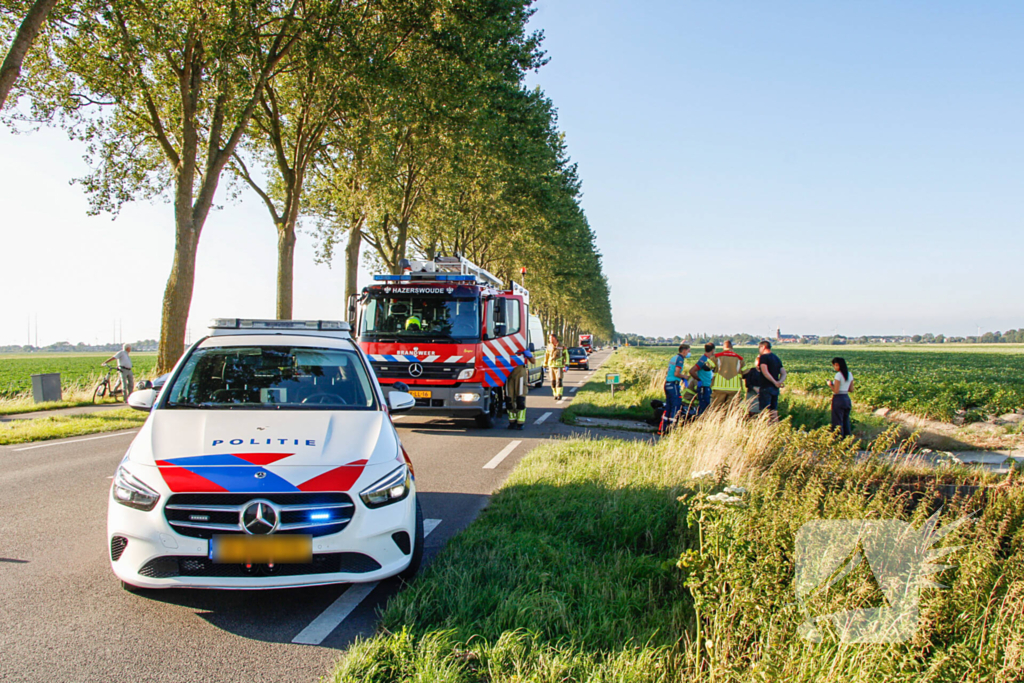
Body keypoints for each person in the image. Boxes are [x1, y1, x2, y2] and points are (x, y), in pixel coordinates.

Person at [662, 343, 690, 432]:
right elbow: (676, 373)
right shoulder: (680, 360)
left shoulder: (674, 357)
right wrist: (685, 377)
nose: (689, 353)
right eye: (688, 351)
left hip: (668, 384)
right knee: (676, 406)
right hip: (673, 384)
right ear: (684, 351)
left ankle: (663, 428)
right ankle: (672, 429)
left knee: (668, 407)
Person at [756, 340, 786, 420]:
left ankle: (764, 427)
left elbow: (765, 371)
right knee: (774, 410)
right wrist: (779, 382)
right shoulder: (776, 358)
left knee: (764, 410)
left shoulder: (764, 357)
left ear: (763, 347)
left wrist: (774, 382)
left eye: (759, 348)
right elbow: (783, 373)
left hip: (766, 387)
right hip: (775, 389)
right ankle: (775, 426)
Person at [505, 347, 533, 430]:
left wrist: (529, 355)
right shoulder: (504, 345)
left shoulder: (523, 346)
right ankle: (512, 422)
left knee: (520, 399)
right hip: (507, 374)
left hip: (520, 373)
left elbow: (533, 361)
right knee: (509, 399)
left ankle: (520, 423)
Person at [712, 339, 745, 408]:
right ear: (732, 348)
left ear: (723, 347)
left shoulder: (717, 357)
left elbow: (707, 367)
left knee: (716, 408)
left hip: (719, 387)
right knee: (731, 409)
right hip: (735, 388)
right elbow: (745, 372)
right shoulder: (739, 358)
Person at [827, 356, 854, 437]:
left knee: (837, 422)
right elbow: (851, 389)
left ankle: (838, 439)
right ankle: (847, 440)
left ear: (837, 365)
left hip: (838, 399)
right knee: (846, 421)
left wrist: (830, 385)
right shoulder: (849, 374)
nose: (834, 367)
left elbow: (836, 390)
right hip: (846, 398)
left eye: (834, 365)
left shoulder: (838, 375)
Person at [691, 342, 716, 415]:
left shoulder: (708, 359)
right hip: (704, 387)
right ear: (713, 350)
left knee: (707, 406)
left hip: (707, 386)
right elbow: (692, 371)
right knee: (704, 408)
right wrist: (699, 380)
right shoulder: (703, 359)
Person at [543, 334, 569, 400]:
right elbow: (546, 356)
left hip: (559, 366)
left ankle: (559, 394)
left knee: (559, 380)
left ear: (554, 338)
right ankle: (555, 394)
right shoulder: (549, 346)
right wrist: (545, 365)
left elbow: (566, 355)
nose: (549, 340)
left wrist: (566, 364)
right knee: (553, 381)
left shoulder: (562, 346)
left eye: (550, 338)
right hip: (551, 366)